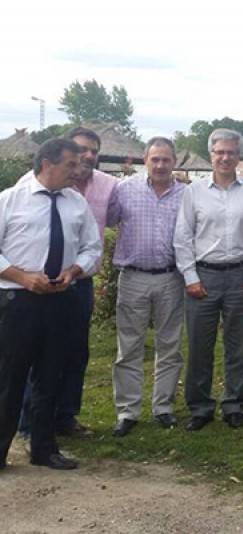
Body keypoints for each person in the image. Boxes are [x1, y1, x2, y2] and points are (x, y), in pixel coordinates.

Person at [0, 139, 102, 470]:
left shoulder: (76, 203)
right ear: (47, 163)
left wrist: (75, 271)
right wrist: (22, 277)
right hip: (18, 302)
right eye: (71, 164)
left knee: (51, 376)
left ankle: (44, 449)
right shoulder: (10, 200)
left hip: (61, 300)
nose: (78, 170)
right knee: (10, 378)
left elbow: (92, 248)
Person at [18, 126, 118, 439]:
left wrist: (75, 271)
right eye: (80, 150)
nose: (87, 157)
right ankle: (30, 422)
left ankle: (65, 417)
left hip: (79, 283)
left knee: (76, 352)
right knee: (35, 353)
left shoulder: (108, 186)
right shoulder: (25, 187)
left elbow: (106, 229)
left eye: (93, 151)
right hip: (35, 285)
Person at [174, 128, 243, 431]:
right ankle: (200, 407)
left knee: (239, 346)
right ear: (211, 155)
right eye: (219, 152)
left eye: (231, 152)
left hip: (242, 276)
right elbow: (182, 237)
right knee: (199, 345)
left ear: (239, 156)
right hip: (203, 276)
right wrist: (190, 276)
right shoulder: (194, 192)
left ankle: (234, 405)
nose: (225, 157)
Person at [107, 137, 187, 437]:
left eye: (166, 159)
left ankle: (163, 407)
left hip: (171, 278)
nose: (161, 165)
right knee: (129, 348)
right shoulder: (124, 190)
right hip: (133, 277)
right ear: (145, 160)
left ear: (174, 162)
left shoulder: (186, 195)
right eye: (155, 159)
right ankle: (127, 411)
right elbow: (107, 220)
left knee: (170, 346)